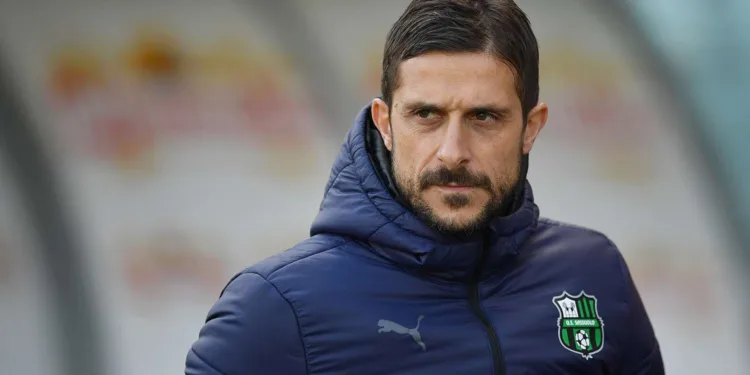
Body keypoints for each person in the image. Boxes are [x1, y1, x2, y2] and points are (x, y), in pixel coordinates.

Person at [185, 0, 664, 374]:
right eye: (427, 115)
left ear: (530, 128)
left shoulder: (593, 273)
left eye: (484, 117)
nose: (453, 151)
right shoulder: (273, 309)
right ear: (385, 122)